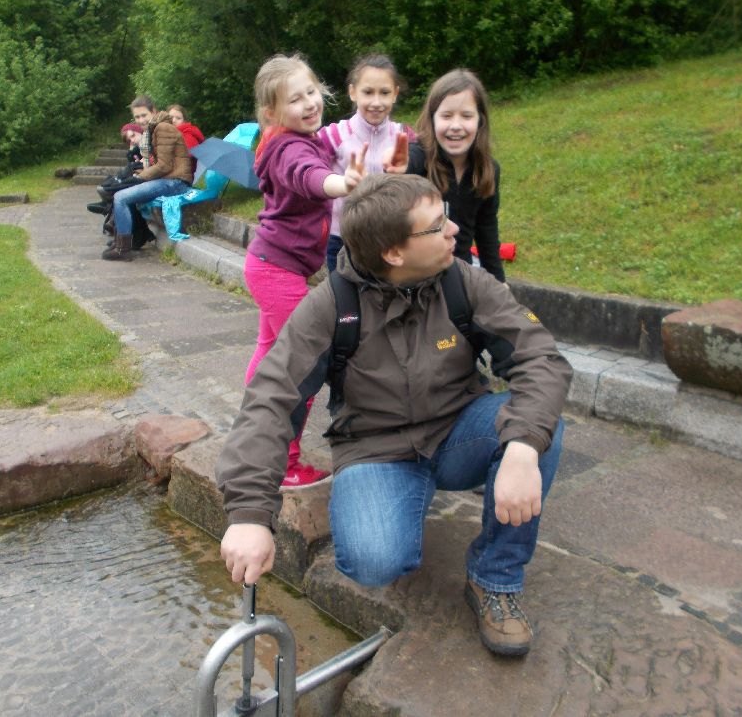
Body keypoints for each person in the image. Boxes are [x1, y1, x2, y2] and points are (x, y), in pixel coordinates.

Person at [217, 173, 571, 657]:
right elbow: (270, 401)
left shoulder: (463, 280)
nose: (453, 230)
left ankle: (495, 579)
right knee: (372, 562)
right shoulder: (331, 306)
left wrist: (523, 448)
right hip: (374, 448)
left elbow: (540, 359)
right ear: (394, 253)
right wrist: (249, 514)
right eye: (437, 225)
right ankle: (397, 500)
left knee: (539, 425)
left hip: (459, 430)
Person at [243, 53, 366, 487]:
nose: (310, 103)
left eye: (311, 92)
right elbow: (307, 175)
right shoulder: (289, 148)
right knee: (304, 364)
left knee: (269, 357)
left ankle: (252, 434)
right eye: (295, 100)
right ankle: (283, 463)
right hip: (277, 271)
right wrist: (340, 184)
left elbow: (327, 149)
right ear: (272, 112)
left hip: (270, 265)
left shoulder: (300, 136)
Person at [397, 69, 506, 282]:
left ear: (480, 120)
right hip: (416, 276)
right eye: (446, 116)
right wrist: (398, 171)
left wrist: (499, 283)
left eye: (466, 116)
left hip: (459, 273)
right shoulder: (418, 157)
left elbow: (487, 232)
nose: (456, 126)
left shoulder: (489, 170)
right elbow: (406, 166)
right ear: (432, 119)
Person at [317, 53, 414, 274]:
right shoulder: (333, 135)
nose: (376, 102)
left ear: (395, 94)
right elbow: (308, 170)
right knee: (344, 295)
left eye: (385, 93)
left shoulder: (404, 136)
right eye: (368, 92)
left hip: (388, 238)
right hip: (341, 238)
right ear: (353, 92)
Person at [102, 95, 193, 261]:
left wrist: (140, 178)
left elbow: (164, 166)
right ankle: (127, 240)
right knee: (122, 191)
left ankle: (123, 248)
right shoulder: (154, 129)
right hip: (168, 180)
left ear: (153, 111)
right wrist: (138, 175)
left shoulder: (163, 128)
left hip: (176, 182)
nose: (141, 120)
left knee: (121, 197)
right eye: (137, 117)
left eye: (144, 115)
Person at [167, 105, 206, 177]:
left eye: (178, 118)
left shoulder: (188, 134)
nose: (173, 120)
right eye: (171, 117)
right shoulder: (165, 134)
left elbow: (188, 155)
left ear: (184, 121)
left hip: (182, 177)